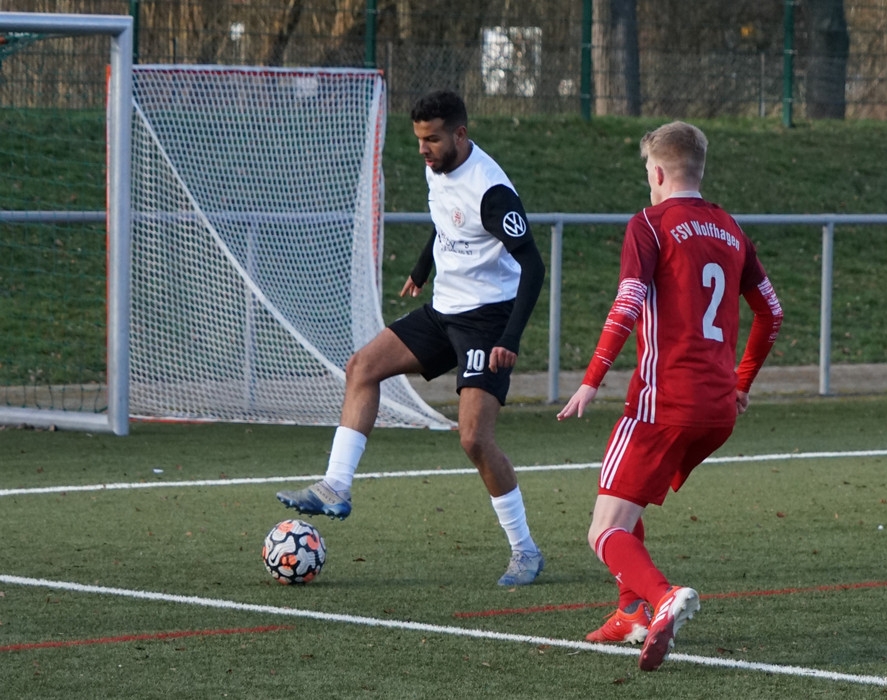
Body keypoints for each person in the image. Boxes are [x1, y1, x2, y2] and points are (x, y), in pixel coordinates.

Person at [277, 90, 546, 587]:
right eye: (419, 139)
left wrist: (510, 337)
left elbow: (533, 264)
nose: (424, 149)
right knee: (362, 367)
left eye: (433, 139)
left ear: (460, 135)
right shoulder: (437, 166)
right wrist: (422, 268)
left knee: (474, 439)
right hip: (444, 311)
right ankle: (335, 485)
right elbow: (445, 221)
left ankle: (525, 550)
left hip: (488, 321)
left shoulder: (492, 191)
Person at [557, 121, 783, 670]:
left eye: (646, 171)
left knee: (604, 529)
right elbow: (772, 313)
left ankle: (662, 597)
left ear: (657, 173)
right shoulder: (730, 229)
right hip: (717, 411)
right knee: (624, 497)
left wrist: (592, 378)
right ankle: (630, 611)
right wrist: (741, 383)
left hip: (663, 404)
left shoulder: (649, 224)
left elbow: (628, 301)